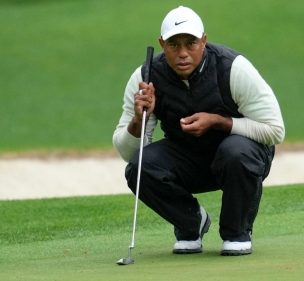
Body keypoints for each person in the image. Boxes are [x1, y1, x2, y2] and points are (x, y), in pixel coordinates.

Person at [113, 6, 284, 256]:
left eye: (191, 43)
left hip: (239, 159)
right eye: (174, 44)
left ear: (204, 41)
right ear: (162, 44)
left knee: (235, 150)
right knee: (140, 167)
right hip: (188, 160)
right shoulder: (146, 77)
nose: (183, 53)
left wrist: (218, 122)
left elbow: (275, 131)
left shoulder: (233, 68)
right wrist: (139, 119)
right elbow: (128, 153)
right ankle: (191, 223)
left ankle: (237, 232)